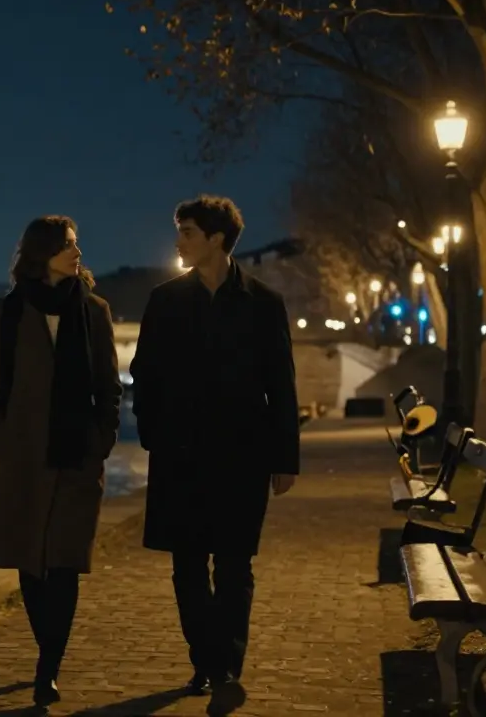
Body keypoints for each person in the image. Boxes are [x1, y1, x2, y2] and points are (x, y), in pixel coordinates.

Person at [129, 195, 300, 704]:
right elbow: (144, 374)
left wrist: (284, 459)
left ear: (216, 239)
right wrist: (153, 433)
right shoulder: (165, 300)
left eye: (187, 233)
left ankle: (225, 663)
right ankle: (206, 659)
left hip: (242, 455)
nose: (179, 242)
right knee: (186, 566)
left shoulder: (264, 303)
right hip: (179, 454)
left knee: (233, 565)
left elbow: (281, 385)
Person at [0, 215, 123, 708]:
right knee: (31, 567)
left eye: (77, 244)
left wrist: (103, 438)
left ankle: (47, 668)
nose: (77, 252)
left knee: (63, 564)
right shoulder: (10, 312)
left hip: (77, 455)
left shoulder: (94, 311)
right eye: (68, 245)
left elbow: (108, 385)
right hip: (23, 458)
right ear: (44, 252)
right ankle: (47, 652)